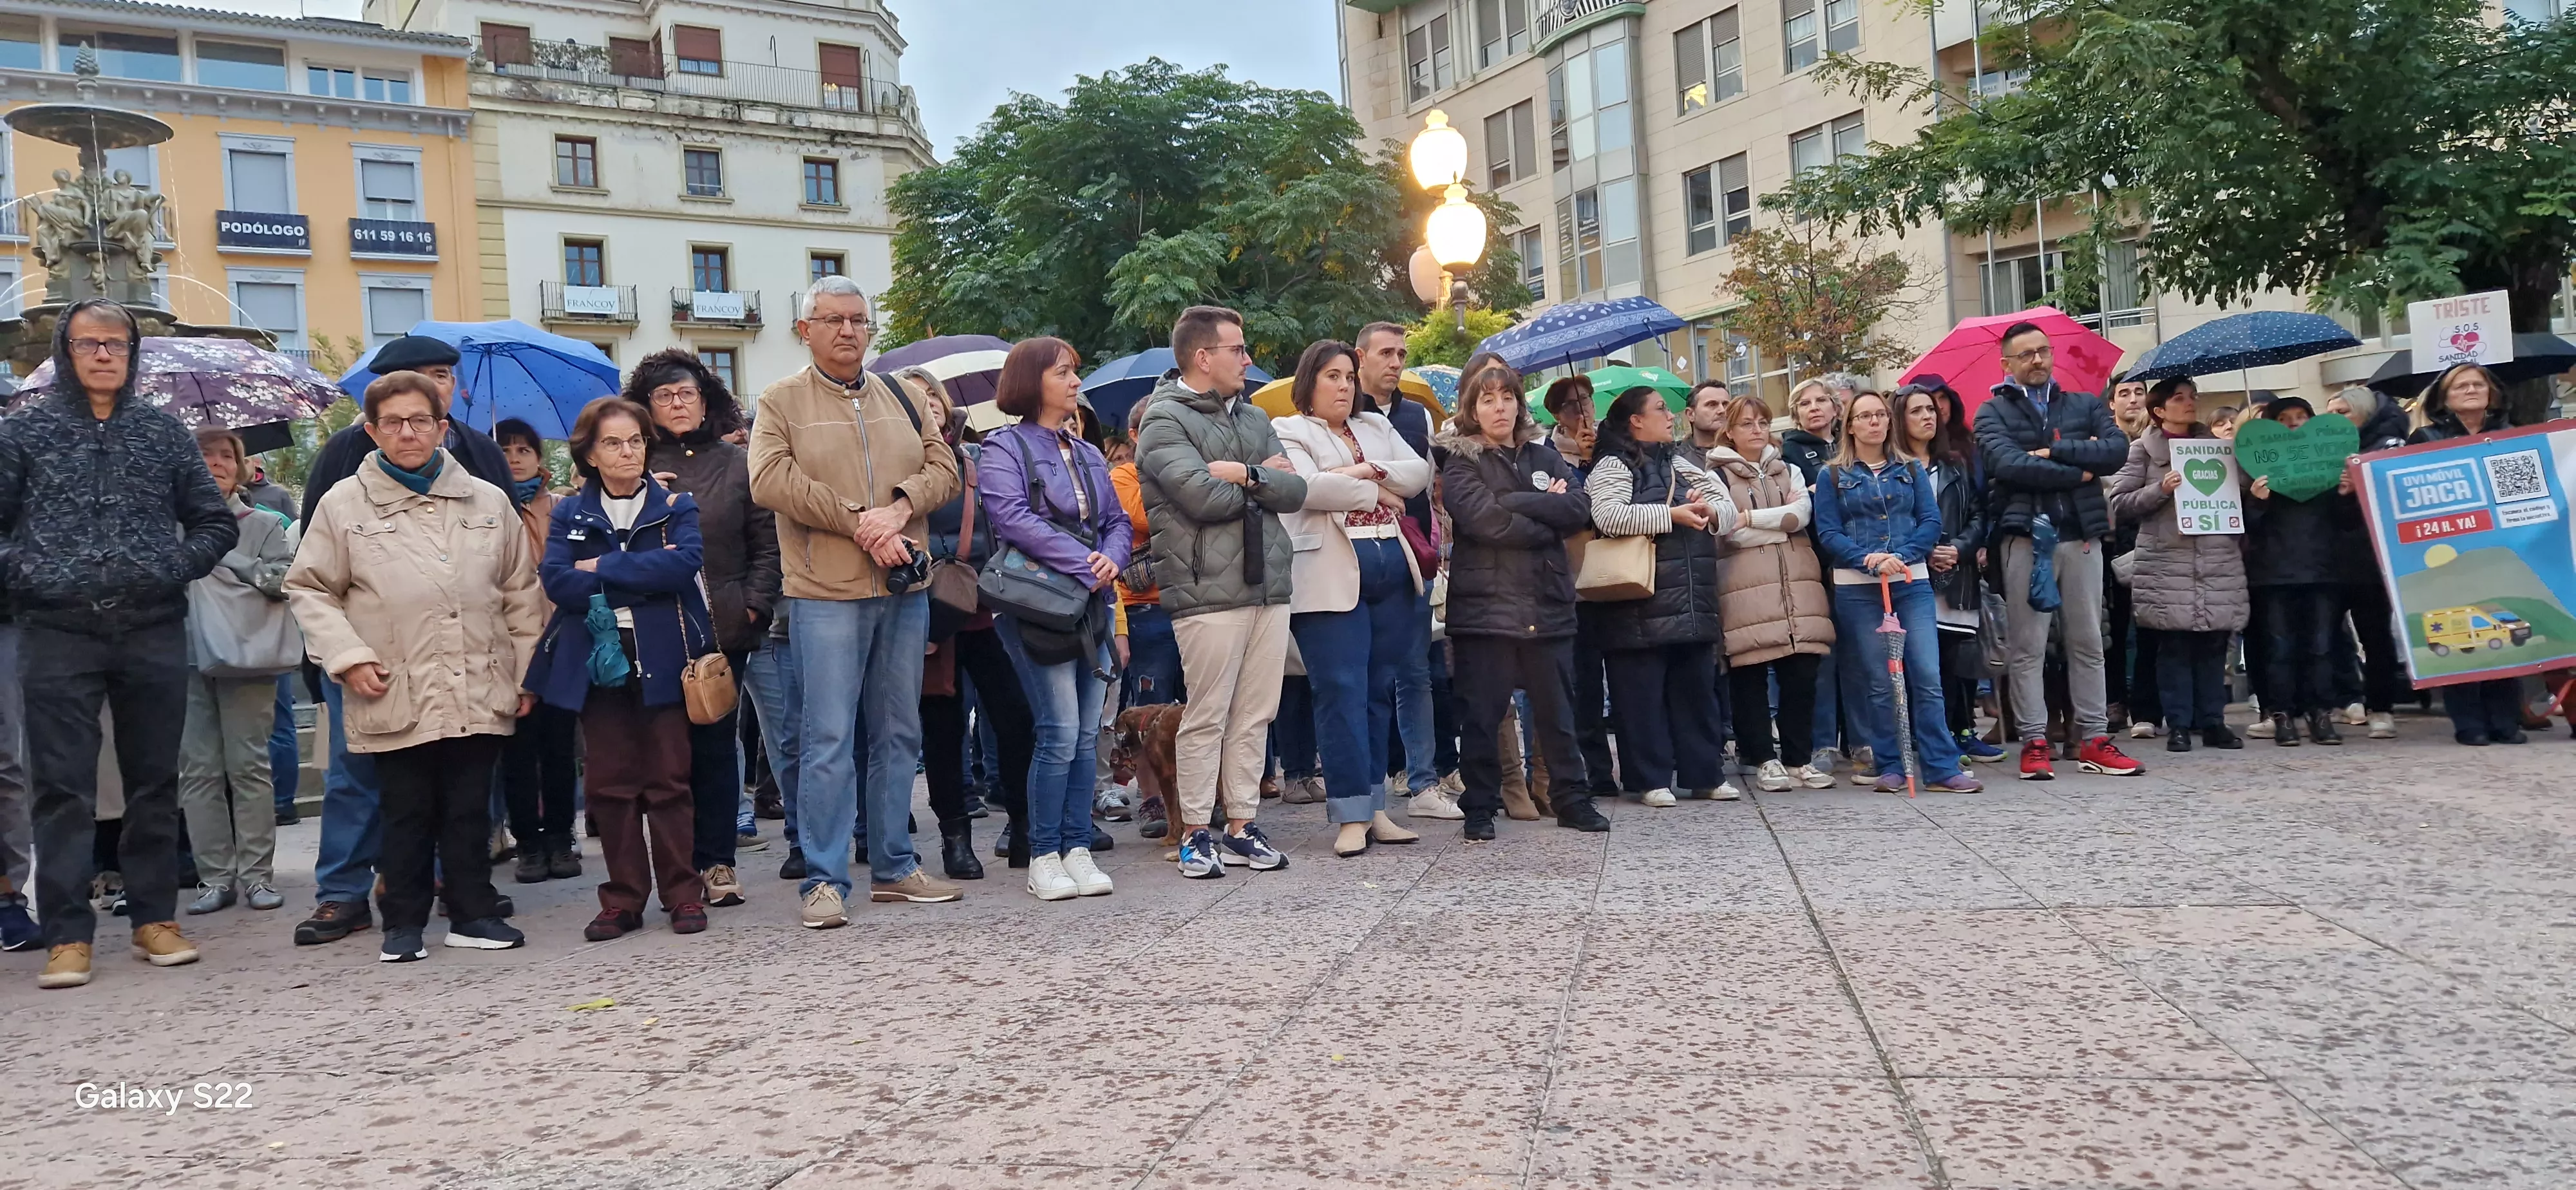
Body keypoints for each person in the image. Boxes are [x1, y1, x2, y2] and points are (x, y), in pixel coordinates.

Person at [0, 299, 237, 988]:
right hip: (56, 630)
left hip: (151, 628)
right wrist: (35, 573)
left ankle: (154, 918)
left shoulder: (162, 434)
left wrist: (169, 566)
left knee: (154, 782)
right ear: (64, 352)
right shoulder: (26, 433)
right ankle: (68, 933)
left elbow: (213, 525)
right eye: (88, 343)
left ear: (132, 354)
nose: (103, 355)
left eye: (116, 344)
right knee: (62, 787)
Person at [286, 370, 544, 962]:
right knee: (403, 809)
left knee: (468, 805)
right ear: (373, 431)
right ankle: (402, 922)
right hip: (392, 681)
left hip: (478, 677)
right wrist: (348, 659)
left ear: (442, 427)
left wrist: (526, 672)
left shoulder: (487, 500)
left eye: (421, 420)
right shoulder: (343, 504)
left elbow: (520, 592)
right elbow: (310, 589)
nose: (409, 432)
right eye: (395, 422)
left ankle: (473, 912)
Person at [748, 275, 963, 926]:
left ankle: (895, 866)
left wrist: (898, 508)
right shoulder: (779, 400)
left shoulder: (902, 395)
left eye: (858, 320)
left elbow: (945, 468)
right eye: (833, 319)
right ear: (805, 330)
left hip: (905, 591)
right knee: (827, 738)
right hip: (824, 594)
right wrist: (857, 520)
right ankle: (824, 877)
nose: (847, 330)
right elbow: (769, 480)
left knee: (899, 733)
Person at [525, 397, 714, 940]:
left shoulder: (676, 504)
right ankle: (624, 898)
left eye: (635, 441)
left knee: (670, 780)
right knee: (610, 784)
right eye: (613, 442)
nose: (627, 451)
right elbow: (558, 581)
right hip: (597, 659)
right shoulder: (569, 512)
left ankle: (683, 893)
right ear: (589, 453)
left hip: (665, 653)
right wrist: (637, 576)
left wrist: (603, 567)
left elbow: (684, 565)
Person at [1133, 305, 1309, 878]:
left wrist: (1246, 474)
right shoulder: (1163, 421)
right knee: (1207, 715)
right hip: (1206, 589)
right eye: (1238, 349)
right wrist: (1260, 476)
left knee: (1256, 713)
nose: (1249, 358)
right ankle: (1194, 835)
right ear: (1203, 357)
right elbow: (1202, 499)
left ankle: (1242, 825)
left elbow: (1294, 489)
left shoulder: (1254, 416)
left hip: (1267, 583)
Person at [980, 338, 1132, 900]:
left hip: (1091, 604)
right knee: (1058, 731)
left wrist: (1110, 560)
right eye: (1063, 373)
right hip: (1041, 607)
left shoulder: (1088, 451)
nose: (1075, 382)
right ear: (1031, 381)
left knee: (1084, 732)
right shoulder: (1005, 447)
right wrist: (1085, 562)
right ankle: (1043, 853)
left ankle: (1077, 848)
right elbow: (1012, 518)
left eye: (1075, 372)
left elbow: (1116, 520)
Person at [1435, 363, 1607, 840]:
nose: (1500, 408)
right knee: (1482, 714)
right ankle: (1480, 808)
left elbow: (1578, 509)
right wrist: (1540, 510)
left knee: (1559, 712)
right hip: (1485, 609)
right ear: (1472, 408)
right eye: (1488, 399)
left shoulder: (1545, 456)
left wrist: (1512, 501)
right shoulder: (1462, 460)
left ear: (1519, 403)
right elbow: (1482, 520)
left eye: (1507, 398)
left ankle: (1573, 800)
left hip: (1546, 601)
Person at [1275, 339, 1432, 856]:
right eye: (1332, 377)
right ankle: (1348, 812)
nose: (1344, 386)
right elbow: (1307, 490)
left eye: (1348, 376)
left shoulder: (1376, 426)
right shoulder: (1287, 430)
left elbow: (1419, 474)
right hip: (1328, 571)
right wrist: (1377, 486)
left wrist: (1366, 473)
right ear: (1310, 382)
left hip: (1393, 565)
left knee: (1378, 690)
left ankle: (1376, 807)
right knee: (1338, 690)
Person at [634, 350, 779, 911]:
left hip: (721, 624)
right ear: (644, 407)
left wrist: (753, 605)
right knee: (664, 753)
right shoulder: (629, 462)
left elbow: (766, 542)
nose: (676, 403)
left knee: (716, 748)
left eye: (686, 393)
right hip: (648, 626)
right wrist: (642, 493)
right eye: (664, 395)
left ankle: (717, 862)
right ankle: (673, 867)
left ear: (705, 400)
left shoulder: (735, 462)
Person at [1973, 320, 2141, 780]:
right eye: (2026, 354)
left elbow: (2115, 451)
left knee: (2088, 640)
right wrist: (2077, 467)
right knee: (2028, 646)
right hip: (2025, 537)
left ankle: (2093, 738)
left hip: (2081, 535)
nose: (2038, 360)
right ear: (2006, 364)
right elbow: (2007, 465)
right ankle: (2034, 741)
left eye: (2043, 351)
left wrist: (2051, 453)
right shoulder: (1991, 413)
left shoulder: (2085, 404)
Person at [1813, 391, 1983, 794]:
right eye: (1864, 416)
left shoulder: (1910, 470)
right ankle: (1891, 763)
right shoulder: (1831, 475)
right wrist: (1868, 559)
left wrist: (1901, 557)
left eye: (1880, 415)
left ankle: (1940, 766)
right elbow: (1828, 532)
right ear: (1849, 425)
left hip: (1911, 583)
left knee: (1925, 673)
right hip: (1858, 588)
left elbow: (1929, 522)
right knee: (1879, 679)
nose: (1874, 422)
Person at [1584, 386, 1740, 806]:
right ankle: (1649, 779)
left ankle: (1705, 774)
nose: (1671, 416)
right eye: (1660, 410)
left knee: (1696, 694)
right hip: (1637, 604)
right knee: (1641, 697)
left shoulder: (1686, 463)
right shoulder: (1613, 465)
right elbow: (1609, 516)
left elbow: (1728, 514)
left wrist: (1707, 511)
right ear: (1635, 420)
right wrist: (1670, 515)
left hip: (1692, 600)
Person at [177, 427, 300, 916]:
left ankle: (257, 877)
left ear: (241, 464)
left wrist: (225, 553)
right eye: (203, 455)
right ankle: (214, 878)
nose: (215, 463)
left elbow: (286, 581)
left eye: (225, 455)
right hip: (182, 656)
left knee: (249, 767)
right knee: (198, 772)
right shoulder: (166, 524)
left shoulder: (264, 523)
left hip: (247, 655)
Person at [918, 382, 1034, 876]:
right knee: (943, 733)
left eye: (930, 393)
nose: (924, 401)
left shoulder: (974, 458)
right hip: (925, 614)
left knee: (1015, 717)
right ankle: (955, 839)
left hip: (981, 607)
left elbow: (1003, 523)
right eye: (912, 394)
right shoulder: (892, 460)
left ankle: (1025, 825)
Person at [2106, 379, 2248, 751]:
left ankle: (2214, 722)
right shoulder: (2143, 450)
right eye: (2179, 398)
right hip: (2168, 562)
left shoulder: (2219, 450)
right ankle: (2179, 723)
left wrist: (2253, 484)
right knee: (2174, 646)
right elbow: (2119, 501)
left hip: (2217, 560)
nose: (2190, 404)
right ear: (2159, 410)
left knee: (2215, 643)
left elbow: (2239, 493)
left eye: (2192, 397)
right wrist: (2160, 490)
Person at [1705, 394, 1837, 791]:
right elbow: (1728, 529)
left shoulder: (1790, 470)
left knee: (1802, 671)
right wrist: (1770, 523)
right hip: (1744, 586)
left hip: (1797, 583)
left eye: (1762, 422)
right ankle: (1762, 757)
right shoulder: (1715, 476)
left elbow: (1801, 516)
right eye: (1747, 424)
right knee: (1750, 673)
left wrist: (1750, 517)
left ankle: (1799, 758)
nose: (1757, 430)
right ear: (1729, 431)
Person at [1350, 323, 1448, 820]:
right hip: (1358, 560)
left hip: (1413, 555)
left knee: (1416, 673)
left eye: (1402, 354)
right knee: (1365, 678)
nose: (1396, 362)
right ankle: (1370, 789)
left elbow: (1423, 483)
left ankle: (1424, 781)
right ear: (1360, 358)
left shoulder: (1416, 415)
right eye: (1385, 353)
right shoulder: (1341, 412)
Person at [2407, 364, 2526, 746]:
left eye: (2479, 384)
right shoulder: (2424, 438)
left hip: (2503, 550)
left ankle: (2506, 720)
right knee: (2462, 634)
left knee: (2503, 630)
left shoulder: (2513, 436)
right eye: (2462, 385)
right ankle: (2469, 722)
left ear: (2492, 393)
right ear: (2444, 397)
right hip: (2447, 553)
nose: (2472, 390)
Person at [2242, 396, 2364, 746]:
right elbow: (2247, 527)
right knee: (2279, 648)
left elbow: (2349, 525)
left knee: (2321, 647)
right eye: (2284, 418)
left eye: (2301, 416)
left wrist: (2345, 495)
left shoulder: (2328, 467)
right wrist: (2256, 500)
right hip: (2273, 575)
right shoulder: (2260, 470)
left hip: (2323, 571)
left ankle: (2320, 713)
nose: (2293, 423)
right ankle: (2282, 714)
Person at [491, 419, 582, 883]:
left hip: (562, 640)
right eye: (504, 449)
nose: (514, 457)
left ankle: (562, 837)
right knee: (518, 752)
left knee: (560, 749)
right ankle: (527, 840)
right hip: (508, 647)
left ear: (540, 457)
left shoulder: (563, 508)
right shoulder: (489, 507)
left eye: (523, 448)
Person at [1900, 380, 2005, 764]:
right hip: (1910, 574)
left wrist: (1959, 548)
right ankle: (1923, 738)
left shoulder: (1955, 464)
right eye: (1918, 411)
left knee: (1954, 659)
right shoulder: (1892, 467)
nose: (1929, 416)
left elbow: (1979, 513)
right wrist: (1923, 552)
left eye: (1932, 410)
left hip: (1955, 574)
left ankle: (1957, 733)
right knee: (1919, 662)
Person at [1538, 375, 1622, 808]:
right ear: (1556, 415)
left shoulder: (1612, 447)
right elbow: (1567, 512)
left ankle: (1624, 765)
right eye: (1571, 406)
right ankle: (1592, 770)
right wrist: (1581, 470)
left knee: (1623, 679)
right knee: (1583, 682)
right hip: (1573, 580)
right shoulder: (1547, 456)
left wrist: (1598, 458)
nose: (1581, 411)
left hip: (1620, 577)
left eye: (1585, 401)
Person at [2325, 385, 2410, 737]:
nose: (2333, 420)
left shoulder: (2390, 447)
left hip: (2372, 560)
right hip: (2326, 559)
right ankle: (2343, 700)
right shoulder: (2321, 450)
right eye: (2328, 413)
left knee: (2376, 638)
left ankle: (2382, 708)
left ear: (2365, 413)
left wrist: (2358, 487)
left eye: (2342, 412)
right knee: (2324, 637)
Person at [1110, 397, 1183, 710]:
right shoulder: (1123, 475)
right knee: (1153, 710)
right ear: (1135, 435)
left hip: (1190, 604)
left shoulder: (1185, 469)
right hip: (1145, 610)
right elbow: (1143, 517)